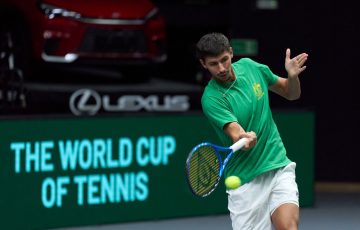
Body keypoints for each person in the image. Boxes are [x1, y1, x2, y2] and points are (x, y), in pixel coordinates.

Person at [196, 32, 308, 230]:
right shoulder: (212, 98)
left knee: (288, 227)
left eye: (224, 60)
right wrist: (244, 138)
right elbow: (236, 132)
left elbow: (291, 93)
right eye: (214, 64)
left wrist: (292, 77)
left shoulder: (251, 67)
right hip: (245, 181)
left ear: (231, 53)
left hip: (277, 165)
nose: (221, 68)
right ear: (204, 65)